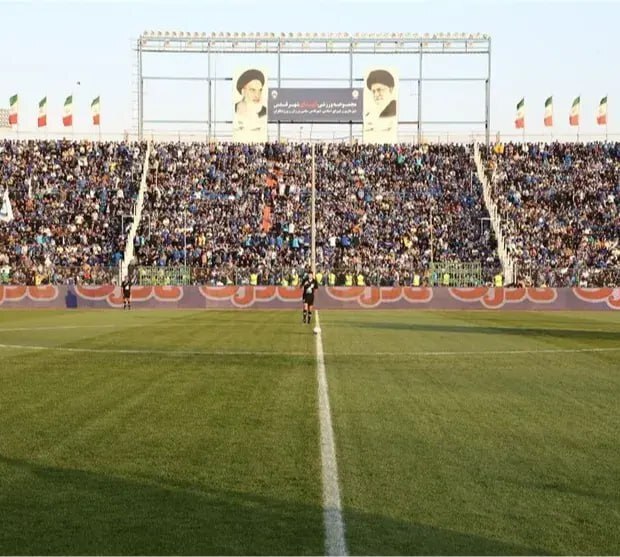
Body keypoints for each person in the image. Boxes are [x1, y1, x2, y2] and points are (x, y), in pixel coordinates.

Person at [363, 69, 397, 142]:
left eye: (379, 90)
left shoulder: (394, 110)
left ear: (391, 89)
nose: (376, 94)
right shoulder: (370, 114)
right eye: (373, 91)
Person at [233, 69, 267, 137]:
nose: (257, 95)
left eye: (260, 90)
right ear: (243, 91)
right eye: (253, 90)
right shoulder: (234, 110)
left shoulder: (264, 112)